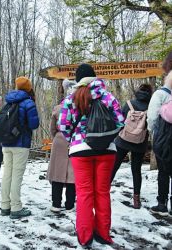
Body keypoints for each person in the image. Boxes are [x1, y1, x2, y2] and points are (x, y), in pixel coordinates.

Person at [58, 64, 124, 248]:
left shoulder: (72, 98)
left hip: (80, 151)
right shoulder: (108, 96)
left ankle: (85, 236)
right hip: (107, 150)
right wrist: (107, 138)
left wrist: (74, 139)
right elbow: (120, 122)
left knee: (85, 193)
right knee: (102, 192)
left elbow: (63, 125)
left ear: (78, 80)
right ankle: (103, 234)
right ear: (95, 78)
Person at [0, 76, 39, 219]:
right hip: (21, 144)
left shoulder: (8, 101)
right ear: (28, 88)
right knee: (16, 176)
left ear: (16, 87)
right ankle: (16, 208)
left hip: (6, 143)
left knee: (7, 175)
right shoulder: (28, 103)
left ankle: (5, 206)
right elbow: (34, 124)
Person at [111, 84, 153, 209]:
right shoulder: (150, 107)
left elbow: (120, 120)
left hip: (123, 140)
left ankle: (103, 193)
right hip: (140, 142)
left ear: (138, 91)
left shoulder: (129, 103)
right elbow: (151, 125)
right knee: (136, 171)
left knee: (114, 167)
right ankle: (136, 199)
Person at [148, 53, 172, 216]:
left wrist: (154, 133)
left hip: (164, 140)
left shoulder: (161, 94)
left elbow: (152, 118)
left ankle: (162, 204)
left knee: (163, 172)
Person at [47, 80, 76, 213]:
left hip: (59, 140)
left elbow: (52, 129)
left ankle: (56, 204)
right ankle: (70, 204)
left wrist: (58, 137)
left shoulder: (58, 108)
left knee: (57, 173)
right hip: (75, 140)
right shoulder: (79, 108)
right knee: (72, 174)